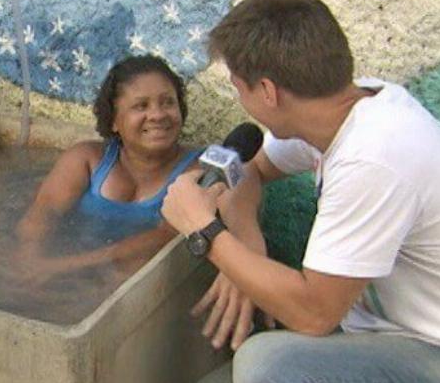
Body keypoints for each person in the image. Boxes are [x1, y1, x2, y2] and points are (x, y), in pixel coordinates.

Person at [160, 0, 440, 383]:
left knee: (267, 373)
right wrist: (245, 243)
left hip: (433, 359)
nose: (238, 99)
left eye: (237, 87)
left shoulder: (375, 159)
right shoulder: (342, 108)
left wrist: (205, 232)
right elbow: (251, 172)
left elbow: (313, 314)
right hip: (375, 338)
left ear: (267, 92)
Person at [16, 54, 264, 298]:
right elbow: (43, 211)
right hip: (72, 267)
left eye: (168, 102)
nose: (157, 115)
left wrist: (61, 267)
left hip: (134, 287)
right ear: (114, 120)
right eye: (140, 106)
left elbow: (161, 238)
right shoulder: (86, 160)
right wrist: (29, 260)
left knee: (124, 275)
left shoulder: (200, 171)